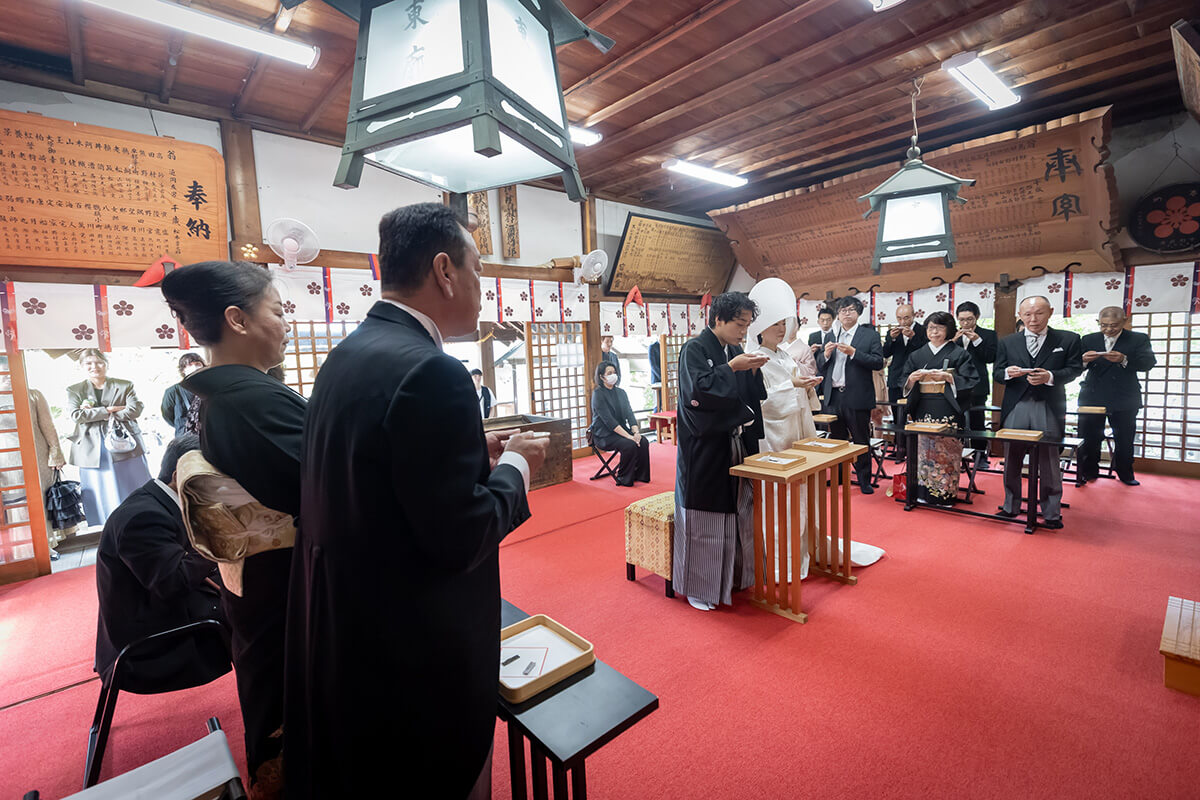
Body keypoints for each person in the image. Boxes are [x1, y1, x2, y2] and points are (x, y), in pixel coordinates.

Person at [284, 203, 548, 800]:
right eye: (478, 268)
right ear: (445, 271)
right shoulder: (435, 372)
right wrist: (516, 465)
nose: (483, 288)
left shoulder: (350, 354)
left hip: (348, 621)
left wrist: (471, 451)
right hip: (413, 639)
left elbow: (381, 469)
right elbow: (464, 534)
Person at [160, 260, 304, 796]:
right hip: (283, 586)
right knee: (293, 709)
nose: (285, 322)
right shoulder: (247, 400)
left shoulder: (226, 393)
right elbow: (328, 486)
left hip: (257, 580)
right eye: (277, 310)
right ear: (237, 320)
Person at [94, 434, 230, 693]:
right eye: (213, 477)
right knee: (260, 617)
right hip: (150, 645)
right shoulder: (143, 517)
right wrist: (218, 539)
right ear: (181, 475)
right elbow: (173, 582)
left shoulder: (158, 500)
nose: (219, 486)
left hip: (161, 610)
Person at [673, 291, 768, 613]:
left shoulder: (735, 350)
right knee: (705, 517)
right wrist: (731, 369)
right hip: (704, 447)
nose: (744, 331)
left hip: (733, 441)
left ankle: (734, 578)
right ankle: (698, 588)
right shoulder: (694, 349)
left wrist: (751, 371)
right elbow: (697, 392)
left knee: (738, 509)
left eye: (747, 324)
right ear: (718, 319)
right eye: (739, 324)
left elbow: (747, 395)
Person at [994, 295, 1083, 528]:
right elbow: (996, 373)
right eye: (1027, 314)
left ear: (1051, 312)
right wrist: (1007, 373)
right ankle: (1010, 505)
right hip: (1016, 405)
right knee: (1011, 457)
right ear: (1020, 316)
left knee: (1049, 459)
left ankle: (1051, 512)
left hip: (1049, 405)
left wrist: (1050, 377)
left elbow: (1074, 369)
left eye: (1039, 313)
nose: (1033, 319)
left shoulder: (1068, 338)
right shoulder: (1008, 342)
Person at [901, 311, 980, 505]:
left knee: (946, 454)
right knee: (923, 453)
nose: (934, 332)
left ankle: (945, 495)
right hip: (923, 408)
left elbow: (972, 380)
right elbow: (902, 379)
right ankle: (922, 493)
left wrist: (949, 378)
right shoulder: (917, 354)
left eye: (939, 327)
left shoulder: (959, 353)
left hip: (948, 409)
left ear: (949, 330)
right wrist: (910, 379)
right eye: (930, 327)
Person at [66, 350, 152, 527]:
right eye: (88, 363)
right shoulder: (75, 390)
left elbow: (135, 410)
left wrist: (92, 413)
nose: (94, 367)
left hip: (125, 444)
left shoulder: (124, 385)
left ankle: (143, 521)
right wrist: (109, 410)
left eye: (98, 362)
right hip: (92, 447)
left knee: (133, 483)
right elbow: (76, 415)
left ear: (106, 363)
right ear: (81, 366)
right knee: (102, 490)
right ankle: (110, 527)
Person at [1077, 306, 1157, 486]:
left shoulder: (1138, 339)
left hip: (1124, 396)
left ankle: (1126, 473)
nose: (1108, 329)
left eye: (1113, 325)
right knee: (1089, 436)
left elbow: (1148, 363)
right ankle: (1088, 471)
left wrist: (1124, 359)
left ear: (1124, 321)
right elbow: (1074, 365)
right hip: (1093, 394)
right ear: (1098, 323)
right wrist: (1083, 360)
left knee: (1125, 437)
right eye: (1104, 325)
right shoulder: (1089, 339)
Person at [816, 296, 885, 493]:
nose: (846, 313)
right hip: (834, 395)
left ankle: (865, 480)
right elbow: (820, 364)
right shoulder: (831, 335)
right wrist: (826, 354)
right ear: (838, 314)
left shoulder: (869, 335)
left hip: (856, 395)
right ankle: (838, 477)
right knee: (837, 440)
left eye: (851, 310)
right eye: (843, 310)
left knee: (860, 439)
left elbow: (878, 362)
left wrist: (854, 353)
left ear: (858, 313)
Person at [590, 362, 651, 486]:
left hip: (621, 431)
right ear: (602, 377)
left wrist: (636, 433)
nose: (613, 375)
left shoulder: (621, 392)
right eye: (609, 373)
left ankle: (639, 474)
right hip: (604, 435)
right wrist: (629, 437)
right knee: (629, 444)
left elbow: (629, 414)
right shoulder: (598, 394)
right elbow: (609, 421)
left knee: (643, 441)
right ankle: (623, 477)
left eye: (614, 372)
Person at [952, 302, 998, 466]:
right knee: (957, 421)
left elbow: (990, 357)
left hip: (977, 385)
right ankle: (958, 456)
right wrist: (952, 342)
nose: (965, 324)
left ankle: (980, 456)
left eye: (969, 319)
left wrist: (977, 341)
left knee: (978, 421)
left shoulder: (988, 334)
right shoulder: (952, 335)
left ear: (977, 317)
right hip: (956, 384)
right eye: (962, 320)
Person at [882, 304, 926, 460]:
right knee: (897, 415)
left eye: (906, 317)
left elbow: (925, 352)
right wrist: (892, 339)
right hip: (896, 377)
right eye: (899, 318)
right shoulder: (892, 332)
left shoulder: (923, 330)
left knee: (916, 414)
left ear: (914, 315)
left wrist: (913, 337)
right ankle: (899, 448)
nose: (903, 321)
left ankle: (917, 450)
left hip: (916, 377)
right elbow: (885, 353)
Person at [161, 353, 206, 438]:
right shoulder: (172, 392)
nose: (195, 367)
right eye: (190, 365)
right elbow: (168, 415)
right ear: (183, 370)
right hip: (184, 437)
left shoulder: (212, 387)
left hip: (209, 436)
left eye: (197, 364)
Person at [649, 339, 662, 411]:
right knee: (657, 404)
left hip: (668, 380)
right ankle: (655, 422)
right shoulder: (652, 347)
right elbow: (653, 366)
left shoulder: (668, 346)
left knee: (666, 403)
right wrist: (662, 377)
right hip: (657, 380)